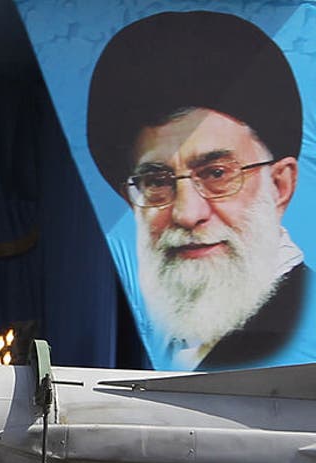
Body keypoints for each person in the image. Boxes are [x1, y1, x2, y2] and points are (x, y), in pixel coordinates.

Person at [87, 11, 305, 370]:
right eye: (157, 182)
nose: (187, 214)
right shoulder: (166, 335)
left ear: (280, 185)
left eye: (216, 173)